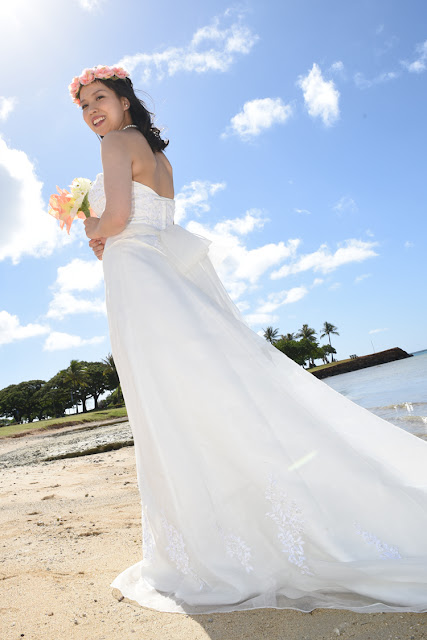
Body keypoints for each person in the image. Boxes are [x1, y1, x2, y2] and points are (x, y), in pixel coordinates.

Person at [71, 65, 427, 615]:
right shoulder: (159, 157)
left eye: (101, 97)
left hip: (141, 284)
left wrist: (88, 225)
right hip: (158, 272)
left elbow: (117, 217)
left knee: (172, 407)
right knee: (211, 397)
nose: (93, 110)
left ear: (124, 101)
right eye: (84, 105)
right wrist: (107, 230)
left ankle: (214, 539)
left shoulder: (116, 143)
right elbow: (149, 220)